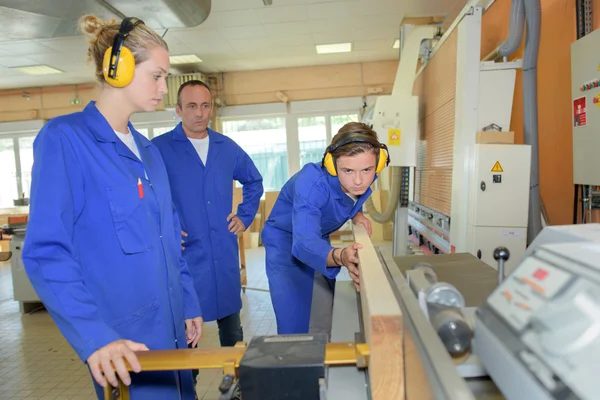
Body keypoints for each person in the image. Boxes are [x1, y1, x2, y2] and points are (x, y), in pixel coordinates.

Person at [21, 15, 203, 400]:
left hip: (172, 333)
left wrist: (188, 302)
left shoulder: (150, 153)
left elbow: (170, 237)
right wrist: (95, 338)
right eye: (156, 75)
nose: (163, 89)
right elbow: (47, 252)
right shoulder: (65, 139)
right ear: (117, 69)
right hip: (122, 340)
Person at [152, 82, 263, 351]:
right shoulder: (159, 149)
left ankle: (237, 386)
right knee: (187, 329)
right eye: (191, 106)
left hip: (223, 252)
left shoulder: (227, 147)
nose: (200, 113)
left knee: (232, 329)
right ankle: (189, 389)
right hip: (186, 255)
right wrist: (163, 228)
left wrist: (244, 215)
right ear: (178, 110)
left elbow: (254, 181)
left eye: (205, 105)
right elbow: (142, 194)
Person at [262, 122, 389, 337]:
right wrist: (340, 256)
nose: (359, 180)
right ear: (331, 165)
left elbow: (341, 200)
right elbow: (304, 243)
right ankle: (297, 360)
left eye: (367, 170)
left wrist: (355, 213)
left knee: (325, 306)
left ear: (377, 164)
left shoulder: (358, 176)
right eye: (348, 170)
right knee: (294, 317)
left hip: (318, 236)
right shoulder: (310, 184)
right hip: (285, 241)